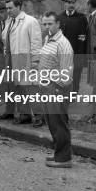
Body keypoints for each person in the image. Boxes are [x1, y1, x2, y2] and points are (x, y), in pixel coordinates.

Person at [39, 12, 74, 168]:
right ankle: (58, 153)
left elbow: (66, 73)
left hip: (57, 89)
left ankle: (64, 159)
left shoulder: (63, 43)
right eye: (44, 24)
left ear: (58, 24)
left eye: (50, 24)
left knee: (59, 124)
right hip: (47, 87)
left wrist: (55, 89)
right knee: (53, 123)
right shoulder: (48, 39)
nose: (47, 27)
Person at [2, 0, 43, 126]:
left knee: (31, 89)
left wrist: (35, 62)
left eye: (11, 8)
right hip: (13, 60)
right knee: (18, 89)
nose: (8, 10)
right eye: (7, 8)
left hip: (26, 60)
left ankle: (39, 116)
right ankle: (24, 114)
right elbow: (6, 42)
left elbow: (36, 43)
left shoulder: (30, 21)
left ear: (19, 7)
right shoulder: (10, 23)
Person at [57, 0, 88, 93]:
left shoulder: (82, 18)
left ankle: (74, 93)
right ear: (64, 4)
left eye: (73, 2)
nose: (71, 5)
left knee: (76, 74)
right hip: (62, 53)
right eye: (69, 2)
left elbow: (84, 38)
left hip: (77, 52)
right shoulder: (59, 18)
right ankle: (64, 92)